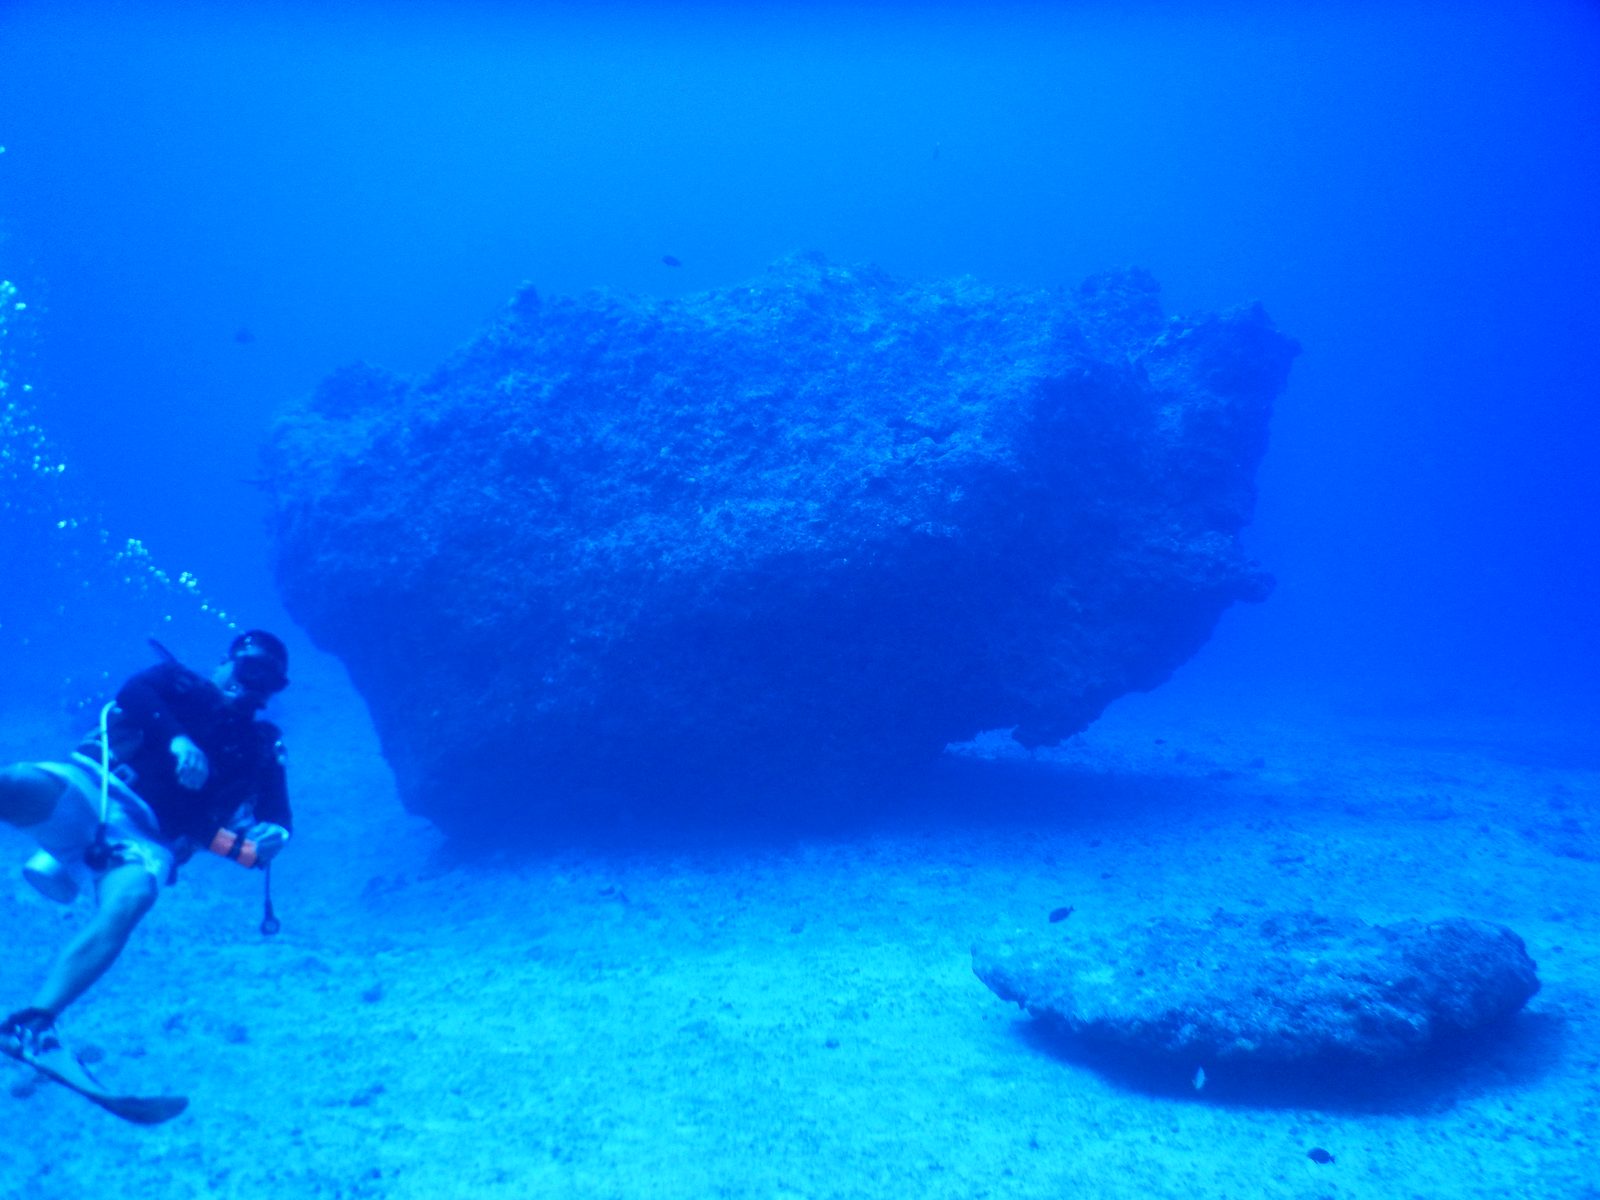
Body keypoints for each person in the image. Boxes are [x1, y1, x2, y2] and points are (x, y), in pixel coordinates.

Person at [0, 630, 294, 1058]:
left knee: (130, 901)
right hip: (92, 790)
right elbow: (133, 691)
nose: (252, 685)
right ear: (226, 662)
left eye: (268, 681)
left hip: (147, 839)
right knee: (14, 781)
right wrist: (178, 737)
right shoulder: (178, 683)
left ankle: (34, 1022)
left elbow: (278, 815)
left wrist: (275, 835)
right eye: (250, 669)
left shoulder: (260, 746)